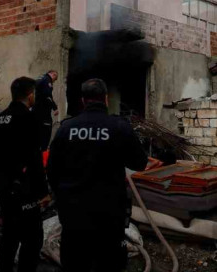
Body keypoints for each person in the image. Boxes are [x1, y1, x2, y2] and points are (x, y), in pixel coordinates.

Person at [47, 78, 148, 272]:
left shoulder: (66, 128)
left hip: (73, 212)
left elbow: (52, 171)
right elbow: (140, 163)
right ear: (106, 99)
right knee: (109, 263)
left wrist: (61, 196)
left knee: (75, 263)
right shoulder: (119, 127)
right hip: (109, 214)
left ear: (83, 101)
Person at [0, 77, 48, 272]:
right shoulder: (28, 118)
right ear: (30, 95)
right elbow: (34, 158)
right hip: (22, 188)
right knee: (32, 239)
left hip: (3, 187)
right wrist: (42, 191)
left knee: (9, 235)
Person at [33, 70, 59, 151]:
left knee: (36, 133)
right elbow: (48, 96)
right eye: (55, 79)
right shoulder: (47, 80)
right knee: (46, 132)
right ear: (53, 75)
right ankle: (44, 151)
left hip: (35, 110)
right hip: (43, 112)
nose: (53, 81)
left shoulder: (40, 78)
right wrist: (54, 107)